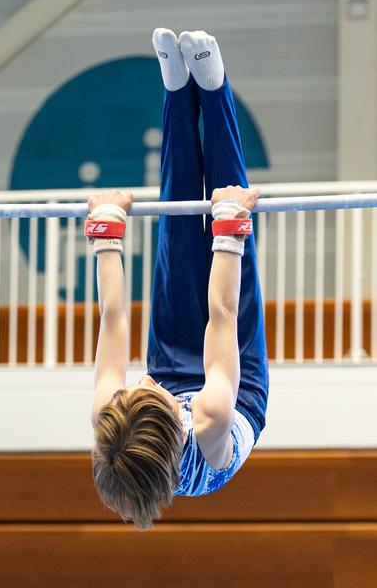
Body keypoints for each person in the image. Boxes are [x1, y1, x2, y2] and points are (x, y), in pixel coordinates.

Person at [87, 29, 269, 530]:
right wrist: (231, 228)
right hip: (238, 386)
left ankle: (174, 89)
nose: (148, 382)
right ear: (178, 422)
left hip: (178, 373)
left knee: (175, 242)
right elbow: (223, 313)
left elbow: (113, 318)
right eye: (153, 390)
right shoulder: (210, 424)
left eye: (138, 387)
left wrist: (106, 234)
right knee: (225, 207)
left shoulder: (110, 417)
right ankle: (213, 87)